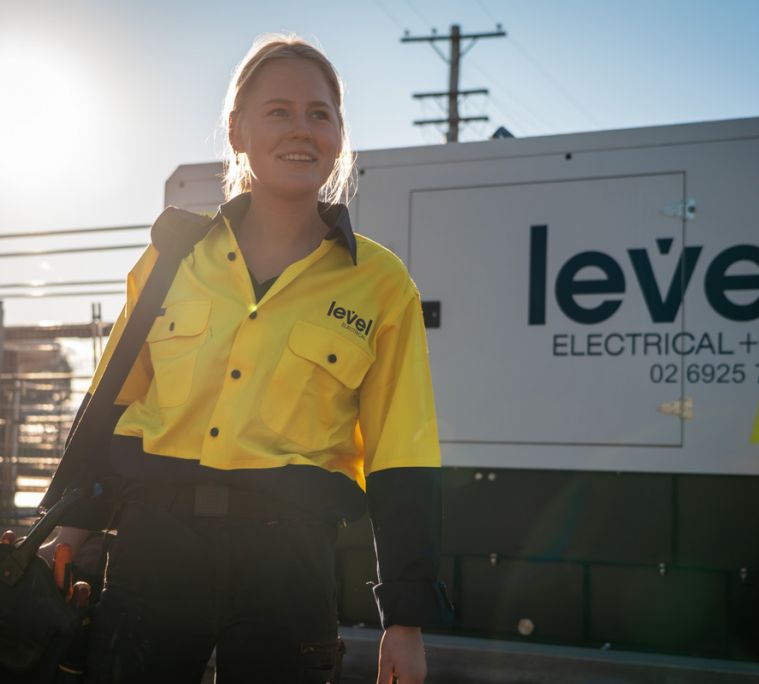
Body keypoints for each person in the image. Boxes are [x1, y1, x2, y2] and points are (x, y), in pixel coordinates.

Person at [39, 33, 451, 683]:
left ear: (339, 135)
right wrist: (67, 531)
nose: (302, 129)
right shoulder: (170, 258)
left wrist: (405, 619)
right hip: (155, 551)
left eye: (320, 113)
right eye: (278, 111)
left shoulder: (380, 283)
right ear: (237, 132)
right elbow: (112, 399)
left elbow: (402, 454)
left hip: (288, 564)